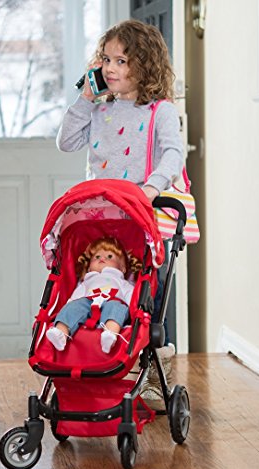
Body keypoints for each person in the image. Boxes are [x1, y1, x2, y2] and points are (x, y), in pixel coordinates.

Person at [56, 19, 183, 407]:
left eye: (121, 61)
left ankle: (154, 368)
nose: (110, 68)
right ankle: (92, 357)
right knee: (97, 287)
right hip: (104, 221)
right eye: (106, 59)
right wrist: (85, 99)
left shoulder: (159, 111)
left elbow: (173, 154)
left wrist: (151, 188)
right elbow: (66, 142)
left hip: (143, 217)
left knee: (146, 294)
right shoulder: (99, 109)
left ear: (144, 66)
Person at [46, 237, 141, 354]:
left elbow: (132, 297)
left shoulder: (122, 282)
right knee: (74, 307)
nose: (102, 258)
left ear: (122, 267)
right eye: (97, 256)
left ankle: (110, 334)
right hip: (88, 303)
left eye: (109, 256)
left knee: (116, 308)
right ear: (89, 267)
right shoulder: (86, 282)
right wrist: (69, 307)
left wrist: (136, 311)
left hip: (112, 300)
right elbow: (75, 299)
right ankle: (61, 332)